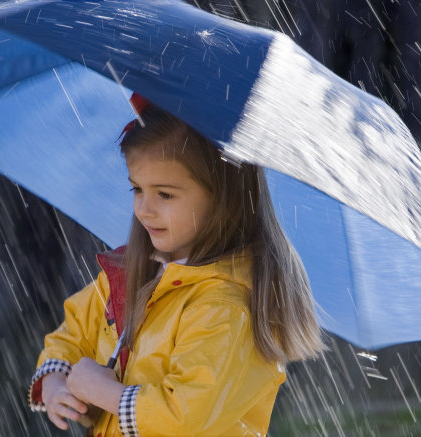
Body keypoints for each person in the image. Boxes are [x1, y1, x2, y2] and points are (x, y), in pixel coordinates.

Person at [27, 94, 325, 436]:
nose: (144, 209)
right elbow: (74, 330)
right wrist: (55, 383)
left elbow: (184, 416)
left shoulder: (223, 307)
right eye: (137, 189)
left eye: (164, 195)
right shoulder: (131, 274)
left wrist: (106, 393)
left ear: (223, 197)